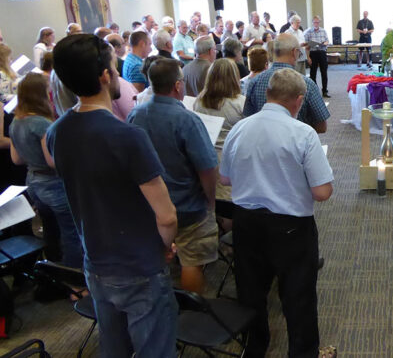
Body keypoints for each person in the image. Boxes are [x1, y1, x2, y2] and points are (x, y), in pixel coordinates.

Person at [45, 34, 178, 357]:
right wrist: (164, 246)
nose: (117, 74)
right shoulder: (127, 136)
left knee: (113, 347)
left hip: (96, 261)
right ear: (104, 76)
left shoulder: (56, 132)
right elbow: (167, 215)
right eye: (114, 69)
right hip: (139, 265)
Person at [221, 68, 333, 357]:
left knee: (251, 293)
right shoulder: (303, 133)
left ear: (267, 94)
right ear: (298, 101)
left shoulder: (240, 128)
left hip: (245, 223)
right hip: (291, 227)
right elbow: (322, 192)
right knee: (298, 298)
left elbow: (225, 179)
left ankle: (255, 349)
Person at [127, 58, 219, 294]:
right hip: (187, 206)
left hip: (150, 207)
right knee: (192, 262)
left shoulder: (135, 115)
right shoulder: (187, 119)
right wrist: (210, 200)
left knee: (159, 259)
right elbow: (207, 168)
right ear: (178, 86)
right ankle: (193, 318)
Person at [9, 73, 83, 268]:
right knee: (71, 233)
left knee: (50, 229)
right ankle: (73, 276)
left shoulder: (16, 122)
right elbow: (52, 161)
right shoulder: (42, 124)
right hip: (53, 183)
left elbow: (16, 159)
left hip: (33, 181)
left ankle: (52, 268)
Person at [194, 58, 246, 230]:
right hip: (234, 164)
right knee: (235, 206)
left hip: (206, 162)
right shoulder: (240, 103)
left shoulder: (199, 102)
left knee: (217, 205)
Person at [244, 33, 330, 133]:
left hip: (261, 143)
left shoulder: (254, 82)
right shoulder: (307, 84)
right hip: (296, 142)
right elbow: (322, 127)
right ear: (294, 52)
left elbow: (248, 117)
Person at [305, 16, 330, 98]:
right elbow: (306, 45)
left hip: (322, 52)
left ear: (319, 22)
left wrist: (325, 43)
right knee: (313, 73)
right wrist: (308, 57)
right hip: (313, 53)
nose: (316, 24)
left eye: (318, 22)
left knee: (324, 72)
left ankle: (325, 91)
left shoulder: (323, 31)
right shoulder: (308, 32)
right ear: (312, 23)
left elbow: (327, 41)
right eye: (315, 22)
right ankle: (314, 91)